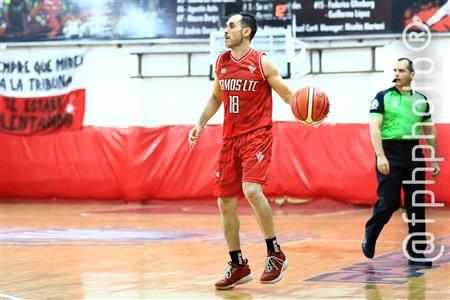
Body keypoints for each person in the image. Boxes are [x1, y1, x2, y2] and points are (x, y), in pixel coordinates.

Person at [188, 12, 293, 290]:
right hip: (230, 138)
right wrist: (199, 123)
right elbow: (215, 97)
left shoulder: (262, 62)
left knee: (251, 190)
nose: (225, 30)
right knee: (224, 202)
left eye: (231, 26)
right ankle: (237, 264)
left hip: (257, 135)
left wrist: (309, 111)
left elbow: (288, 94)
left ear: (246, 32)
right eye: (226, 26)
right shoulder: (221, 62)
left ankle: (275, 254)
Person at [362, 58, 441, 267]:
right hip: (389, 151)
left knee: (416, 203)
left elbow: (429, 131)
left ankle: (416, 253)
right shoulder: (382, 97)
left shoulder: (421, 100)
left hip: (413, 152)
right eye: (395, 70)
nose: (397, 73)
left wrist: (433, 158)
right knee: (389, 202)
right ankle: (370, 234)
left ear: (412, 75)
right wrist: (380, 156)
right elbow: (374, 128)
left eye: (402, 70)